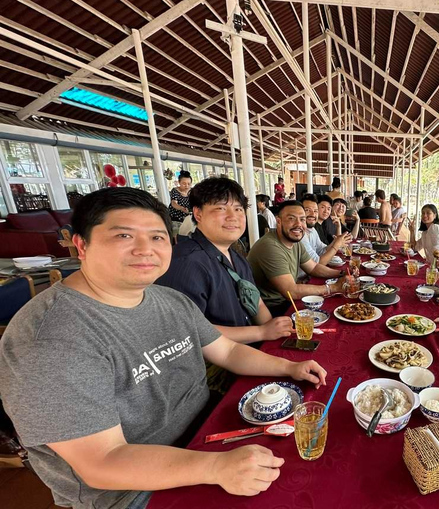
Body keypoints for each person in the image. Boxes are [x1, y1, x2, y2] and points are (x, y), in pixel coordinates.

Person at [0, 188, 328, 509]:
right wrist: (215, 467)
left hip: (208, 430)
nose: (146, 249)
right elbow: (102, 462)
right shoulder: (49, 339)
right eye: (124, 236)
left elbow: (226, 352)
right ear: (81, 245)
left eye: (157, 237)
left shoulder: (168, 299)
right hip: (130, 490)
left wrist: (289, 368)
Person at [157, 177, 292, 345]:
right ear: (198, 213)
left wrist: (276, 333)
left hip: (251, 348)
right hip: (219, 365)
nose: (233, 217)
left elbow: (257, 304)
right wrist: (262, 332)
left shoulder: (236, 257)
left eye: (238, 209)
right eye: (221, 208)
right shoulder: (186, 263)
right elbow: (189, 331)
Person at [248, 201, 346, 316]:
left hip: (287, 301)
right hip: (272, 309)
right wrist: (333, 288)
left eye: (302, 219)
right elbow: (291, 291)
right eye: (291, 218)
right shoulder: (270, 246)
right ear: (278, 221)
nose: (299, 224)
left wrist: (341, 273)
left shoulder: (295, 241)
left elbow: (313, 267)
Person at [300, 195, 352, 274]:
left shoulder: (312, 230)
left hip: (312, 274)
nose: (312, 214)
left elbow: (322, 249)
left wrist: (336, 241)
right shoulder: (300, 235)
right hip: (304, 279)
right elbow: (317, 264)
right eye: (307, 210)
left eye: (315, 211)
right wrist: (336, 245)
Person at [168, 170, 193, 237]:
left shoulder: (192, 191)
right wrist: (181, 208)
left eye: (189, 184)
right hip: (175, 219)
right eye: (184, 183)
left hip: (187, 218)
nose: (186, 186)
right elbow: (174, 203)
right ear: (179, 182)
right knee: (177, 235)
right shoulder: (175, 191)